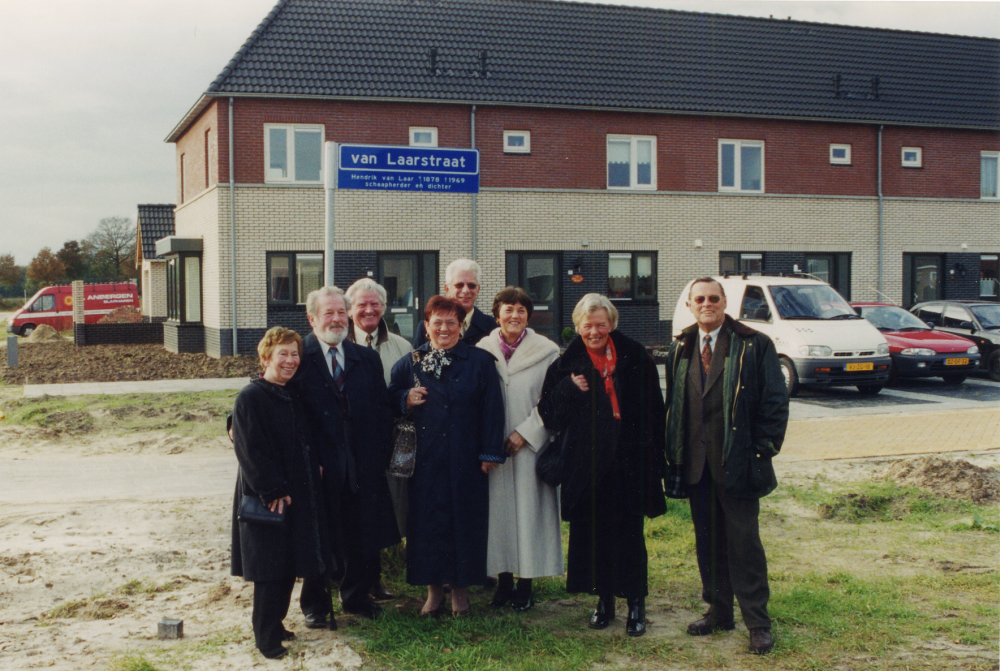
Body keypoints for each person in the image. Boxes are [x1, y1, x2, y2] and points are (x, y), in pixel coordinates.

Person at [663, 278, 788, 655]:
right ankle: (719, 611)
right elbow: (676, 406)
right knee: (709, 543)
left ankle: (757, 623)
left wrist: (762, 450)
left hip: (739, 464)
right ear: (689, 304)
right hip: (697, 466)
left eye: (713, 298)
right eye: (699, 299)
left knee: (744, 545)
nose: (707, 304)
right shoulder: (681, 347)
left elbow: (775, 402)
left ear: (725, 302)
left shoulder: (754, 344)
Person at [538, 294, 665, 637]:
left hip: (629, 460)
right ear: (577, 326)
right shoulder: (566, 365)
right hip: (588, 463)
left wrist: (658, 461)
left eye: (600, 324)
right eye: (587, 325)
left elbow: (656, 413)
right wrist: (567, 389)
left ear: (611, 324)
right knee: (594, 535)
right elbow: (548, 415)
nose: (594, 331)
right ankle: (604, 601)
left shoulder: (636, 356)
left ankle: (636, 603)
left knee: (628, 535)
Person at [389, 295, 506, 616]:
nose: (444, 328)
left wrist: (489, 452)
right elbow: (387, 400)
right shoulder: (410, 362)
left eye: (451, 322)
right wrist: (404, 398)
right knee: (426, 526)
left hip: (466, 460)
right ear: (426, 327)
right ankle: (433, 593)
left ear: (461, 326)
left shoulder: (480, 362)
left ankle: (460, 594)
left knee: (464, 523)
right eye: (436, 322)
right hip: (424, 461)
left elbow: (493, 410)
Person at [295, 287, 400, 626]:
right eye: (329, 313)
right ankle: (315, 605)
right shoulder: (297, 356)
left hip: (361, 465)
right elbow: (268, 392)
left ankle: (355, 597)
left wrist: (378, 456)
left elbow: (383, 412)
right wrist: (233, 422)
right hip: (320, 468)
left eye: (342, 312)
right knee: (319, 536)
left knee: (359, 533)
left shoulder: (365, 359)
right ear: (312, 319)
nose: (337, 319)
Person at [230, 327, 330, 659]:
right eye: (283, 354)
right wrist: (271, 489)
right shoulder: (251, 397)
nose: (290, 360)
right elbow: (250, 449)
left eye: (294, 354)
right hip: (269, 495)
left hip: (296, 493)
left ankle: (277, 624)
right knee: (270, 569)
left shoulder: (291, 393)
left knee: (287, 564)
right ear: (266, 357)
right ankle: (266, 638)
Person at [477, 287, 562, 611]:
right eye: (508, 309)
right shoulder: (483, 350)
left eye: (521, 310)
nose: (514, 316)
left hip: (529, 446)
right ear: (497, 314)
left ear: (529, 315)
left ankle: (526, 584)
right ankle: (504, 582)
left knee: (529, 516)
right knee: (498, 517)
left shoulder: (547, 351)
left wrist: (526, 433)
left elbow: (552, 400)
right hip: (494, 447)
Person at [345, 277, 412, 601]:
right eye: (362, 305)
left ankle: (376, 577)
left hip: (388, 444)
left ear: (384, 307)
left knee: (386, 510)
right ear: (349, 309)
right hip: (349, 447)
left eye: (375, 304)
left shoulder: (401, 347)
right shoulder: (336, 343)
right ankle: (348, 576)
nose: (369, 310)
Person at [412, 258, 495, 348]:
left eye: (471, 285)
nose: (466, 290)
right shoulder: (427, 327)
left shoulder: (492, 326)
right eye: (459, 285)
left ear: (478, 290)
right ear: (447, 289)